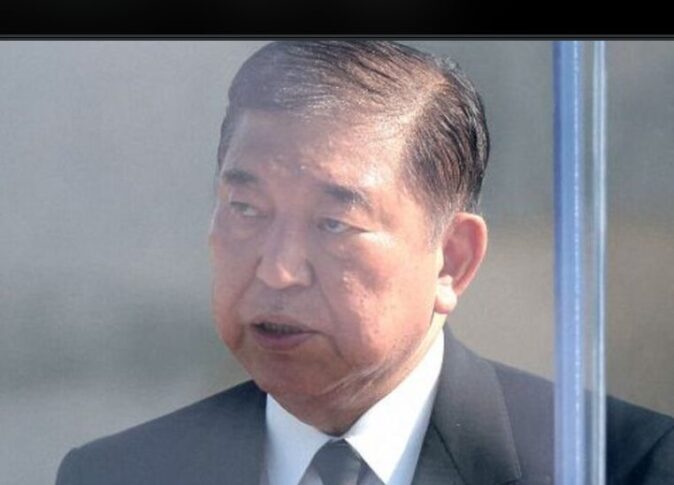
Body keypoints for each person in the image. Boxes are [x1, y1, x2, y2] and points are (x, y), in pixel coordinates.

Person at [56, 41, 673, 485]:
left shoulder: (622, 465)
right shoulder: (117, 473)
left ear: (452, 260)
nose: (277, 270)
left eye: (333, 224)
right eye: (245, 209)